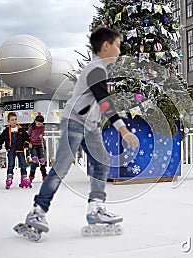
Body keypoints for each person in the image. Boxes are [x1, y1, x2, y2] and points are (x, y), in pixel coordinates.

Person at [21, 27, 139, 237]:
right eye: (117, 46)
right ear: (105, 46)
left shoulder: (99, 69)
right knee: (62, 166)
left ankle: (96, 209)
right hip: (75, 122)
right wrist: (123, 131)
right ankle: (37, 211)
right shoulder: (95, 69)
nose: (119, 52)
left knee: (101, 162)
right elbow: (104, 101)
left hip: (90, 126)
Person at [0, 112, 31, 189]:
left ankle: (24, 178)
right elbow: (1, 138)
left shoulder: (21, 129)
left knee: (23, 164)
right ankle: (9, 178)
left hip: (20, 150)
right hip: (11, 150)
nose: (14, 121)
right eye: (12, 120)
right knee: (11, 164)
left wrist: (26, 143)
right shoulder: (6, 130)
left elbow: (26, 138)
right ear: (8, 121)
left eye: (15, 119)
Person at [28, 115, 47, 182]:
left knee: (42, 160)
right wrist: (29, 143)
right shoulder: (31, 127)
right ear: (35, 121)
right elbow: (28, 136)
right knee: (34, 159)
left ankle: (44, 174)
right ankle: (32, 174)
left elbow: (42, 133)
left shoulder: (42, 127)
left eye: (41, 124)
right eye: (38, 124)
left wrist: (42, 135)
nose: (39, 125)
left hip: (39, 145)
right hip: (33, 145)